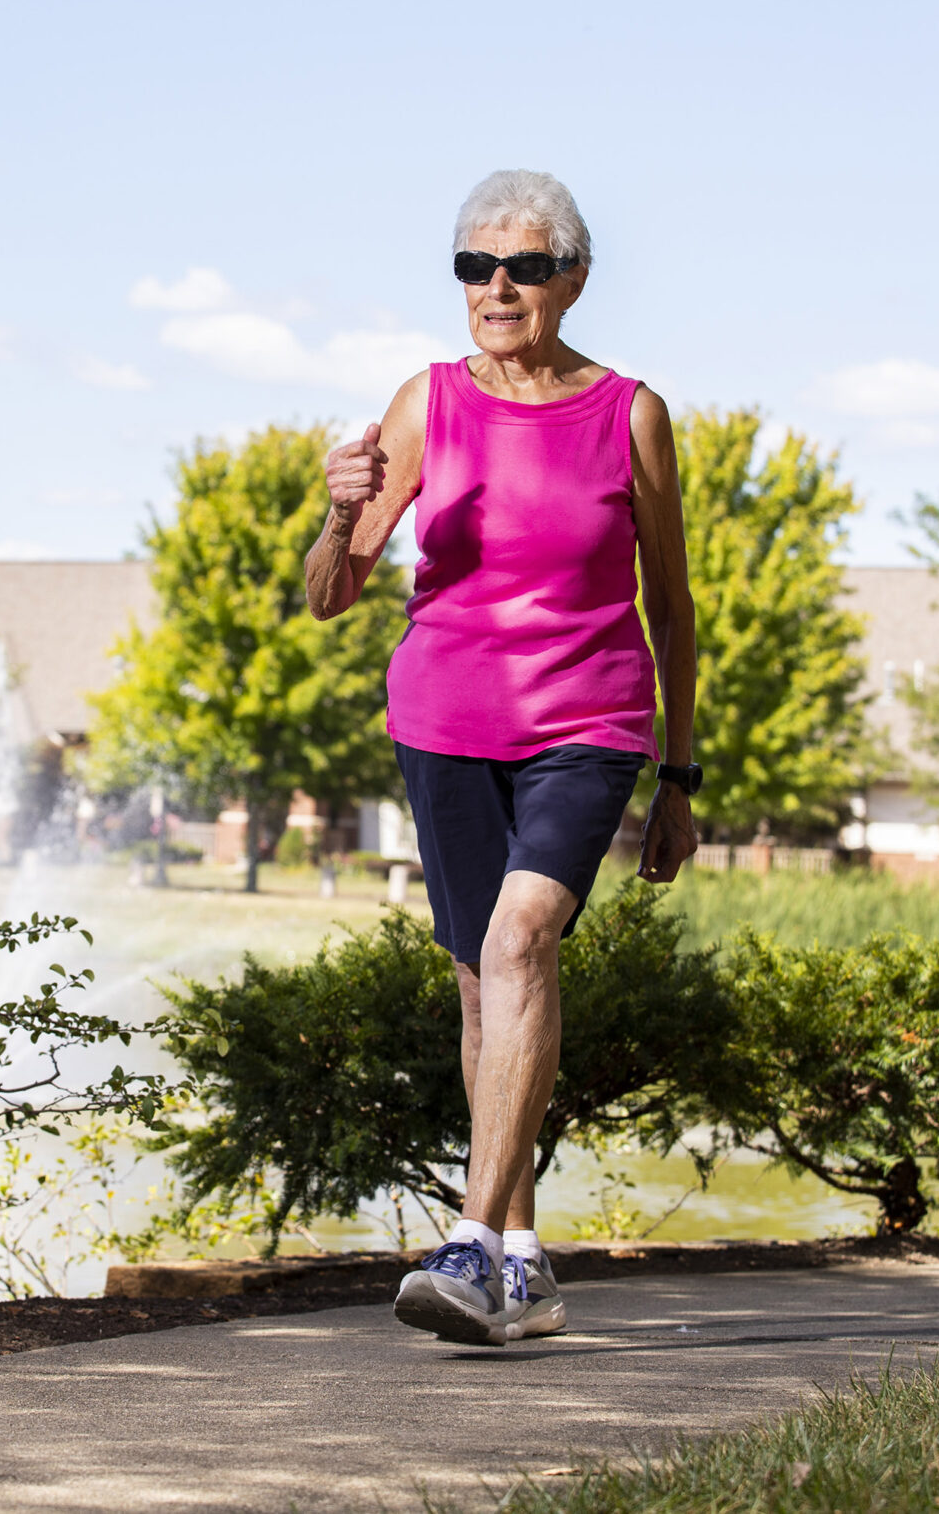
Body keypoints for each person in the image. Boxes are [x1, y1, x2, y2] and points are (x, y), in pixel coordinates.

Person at [305, 168, 700, 1346]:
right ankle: (522, 1261)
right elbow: (333, 596)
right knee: (485, 981)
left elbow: (671, 605)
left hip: (587, 717)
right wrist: (339, 512)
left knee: (523, 936)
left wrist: (679, 776)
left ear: (572, 278)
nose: (496, 288)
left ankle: (468, 1243)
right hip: (445, 718)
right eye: (475, 266)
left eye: (523, 267)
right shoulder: (426, 402)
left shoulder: (630, 411)